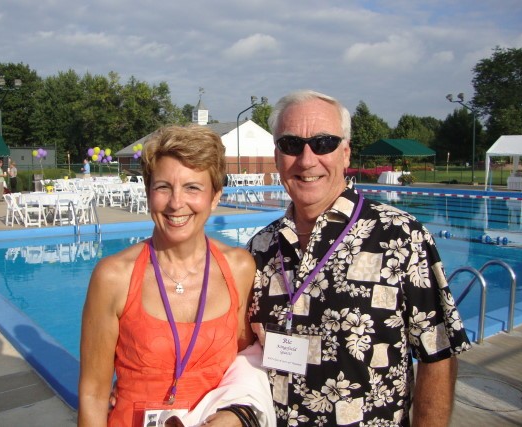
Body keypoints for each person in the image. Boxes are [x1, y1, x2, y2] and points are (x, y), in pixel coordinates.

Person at [246, 90, 471, 426]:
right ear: (277, 156)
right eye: (291, 144)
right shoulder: (260, 248)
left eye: (323, 143)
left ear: (346, 153)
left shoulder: (401, 237)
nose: (307, 160)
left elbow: (437, 353)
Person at [79, 125, 261, 427]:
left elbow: (245, 364)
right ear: (148, 193)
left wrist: (235, 416)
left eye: (192, 188)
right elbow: (93, 395)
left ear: (215, 196)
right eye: (163, 187)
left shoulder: (239, 269)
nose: (176, 203)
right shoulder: (114, 277)